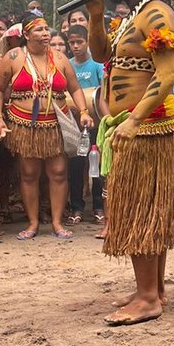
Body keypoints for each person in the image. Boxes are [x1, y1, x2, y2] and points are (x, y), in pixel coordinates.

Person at [81, 0, 174, 324]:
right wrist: (95, 14)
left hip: (148, 126)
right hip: (135, 126)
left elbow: (166, 75)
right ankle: (153, 289)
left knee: (141, 210)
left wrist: (132, 121)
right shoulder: (134, 15)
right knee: (147, 210)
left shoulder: (158, 14)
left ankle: (147, 297)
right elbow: (99, 55)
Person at [0, 11, 92, 239]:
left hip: (56, 123)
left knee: (58, 171)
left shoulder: (59, 58)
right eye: (39, 30)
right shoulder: (14, 56)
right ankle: (33, 223)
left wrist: (83, 111)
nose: (45, 33)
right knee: (28, 173)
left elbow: (74, 88)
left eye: (46, 29)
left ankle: (56, 222)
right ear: (26, 34)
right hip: (25, 124)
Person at [65, 24, 105, 223]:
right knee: (75, 166)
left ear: (87, 42)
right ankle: (76, 208)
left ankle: (98, 206)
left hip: (96, 123)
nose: (75, 46)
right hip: (74, 125)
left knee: (96, 166)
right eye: (71, 42)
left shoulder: (97, 65)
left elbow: (103, 94)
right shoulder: (67, 65)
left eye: (79, 42)